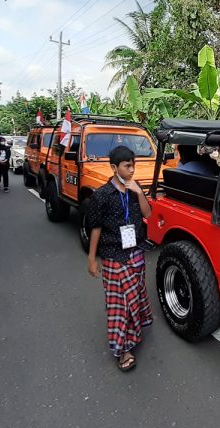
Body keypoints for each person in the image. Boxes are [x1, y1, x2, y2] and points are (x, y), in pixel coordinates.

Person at [87, 146, 153, 372]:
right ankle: (122, 349)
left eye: (133, 164)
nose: (132, 169)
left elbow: (148, 214)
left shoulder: (135, 189)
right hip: (114, 255)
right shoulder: (102, 195)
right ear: (114, 168)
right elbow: (95, 228)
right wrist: (92, 259)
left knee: (135, 297)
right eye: (127, 166)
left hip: (136, 253)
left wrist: (139, 192)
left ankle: (134, 332)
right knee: (119, 305)